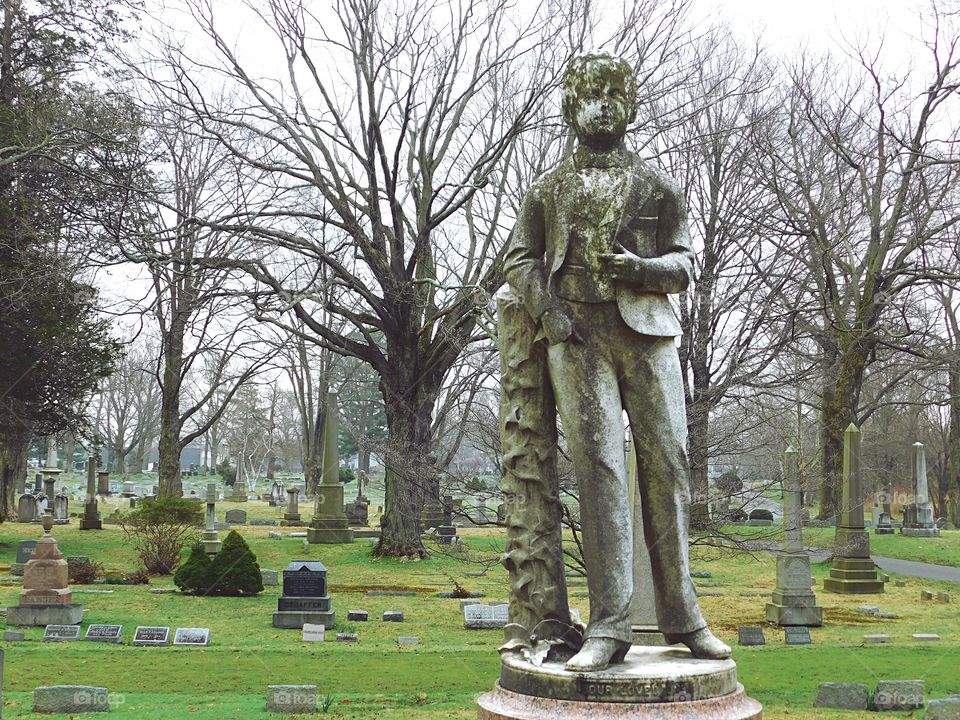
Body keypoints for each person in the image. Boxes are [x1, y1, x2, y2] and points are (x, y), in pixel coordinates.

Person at [504, 52, 731, 672]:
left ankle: (686, 619)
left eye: (615, 95)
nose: (603, 106)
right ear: (570, 107)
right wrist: (548, 309)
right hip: (577, 339)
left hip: (646, 334)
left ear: (630, 107)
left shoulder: (657, 184)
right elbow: (519, 259)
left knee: (669, 463)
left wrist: (643, 270)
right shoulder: (546, 188)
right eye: (591, 95)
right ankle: (609, 625)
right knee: (600, 473)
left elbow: (687, 263)